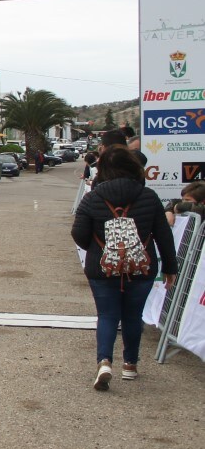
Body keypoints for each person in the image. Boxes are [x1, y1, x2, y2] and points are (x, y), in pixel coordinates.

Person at [72, 147, 176, 390]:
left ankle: (105, 361)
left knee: (107, 315)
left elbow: (78, 232)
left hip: (102, 267)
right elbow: (163, 235)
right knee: (132, 315)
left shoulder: (93, 197)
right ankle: (130, 364)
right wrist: (170, 266)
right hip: (141, 267)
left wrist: (98, 248)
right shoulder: (148, 196)